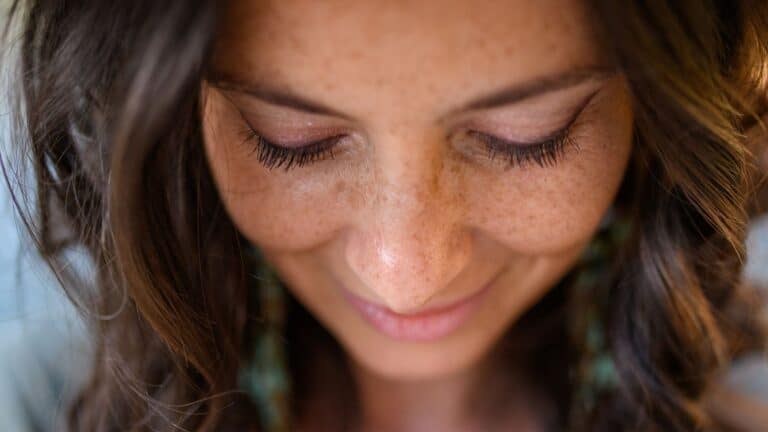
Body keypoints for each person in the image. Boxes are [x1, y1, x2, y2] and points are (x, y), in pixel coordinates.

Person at [3, 1, 768, 431]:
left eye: (527, 138)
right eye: (292, 145)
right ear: (170, 117)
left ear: (664, 104)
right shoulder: (41, 405)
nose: (407, 274)